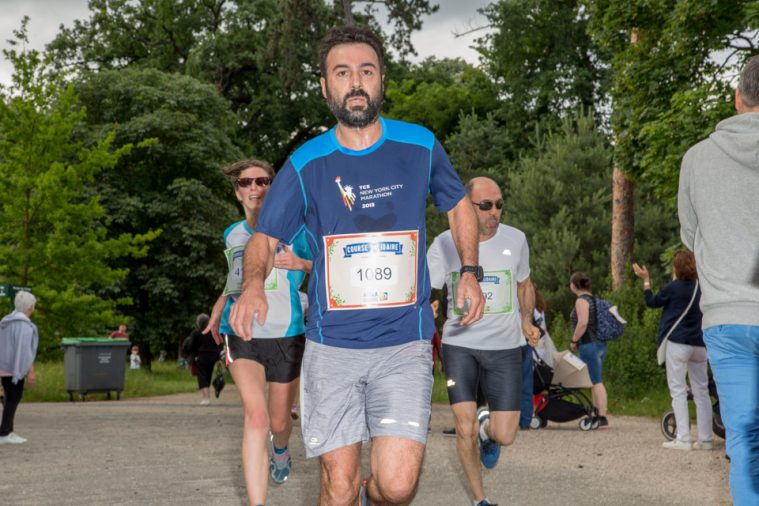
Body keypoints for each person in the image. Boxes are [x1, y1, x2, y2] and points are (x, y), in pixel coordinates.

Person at [228, 25, 484, 506]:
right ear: (326, 86)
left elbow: (458, 204)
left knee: (397, 485)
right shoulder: (305, 164)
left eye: (366, 70)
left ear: (382, 78)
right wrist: (253, 284)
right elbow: (264, 238)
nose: (356, 82)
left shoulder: (420, 145)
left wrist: (469, 271)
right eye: (342, 73)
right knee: (337, 485)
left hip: (403, 343)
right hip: (333, 349)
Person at [205, 158, 312, 506]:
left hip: (287, 334)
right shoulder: (232, 234)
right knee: (256, 415)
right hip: (243, 333)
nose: (255, 188)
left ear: (273, 187)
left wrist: (301, 264)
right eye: (246, 183)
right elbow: (235, 277)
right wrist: (221, 304)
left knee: (280, 422)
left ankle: (280, 450)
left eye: (262, 181)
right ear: (237, 193)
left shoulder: (298, 231)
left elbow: (328, 263)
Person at [428, 176, 539, 506]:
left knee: (506, 433)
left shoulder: (516, 240)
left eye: (500, 204)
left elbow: (524, 284)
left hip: (505, 348)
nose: (495, 212)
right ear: (467, 206)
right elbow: (426, 287)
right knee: (463, 428)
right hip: (459, 345)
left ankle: (486, 424)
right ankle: (480, 500)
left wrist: (526, 320)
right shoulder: (445, 243)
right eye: (487, 205)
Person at [678, 55, 759, 505]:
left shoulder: (697, 158)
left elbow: (691, 236)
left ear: (737, 98)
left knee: (744, 440)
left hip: (727, 315)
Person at [633, 252, 711, 450]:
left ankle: (683, 438)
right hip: (700, 345)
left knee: (678, 390)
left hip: (678, 343)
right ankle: (705, 439)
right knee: (701, 391)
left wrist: (646, 281)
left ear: (676, 268)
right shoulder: (702, 288)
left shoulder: (673, 288)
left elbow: (652, 302)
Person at [568, 272, 609, 429]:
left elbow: (583, 323)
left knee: (596, 381)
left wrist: (574, 340)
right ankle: (597, 413)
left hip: (589, 345)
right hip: (600, 344)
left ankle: (603, 417)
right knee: (593, 380)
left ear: (574, 285)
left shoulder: (581, 300)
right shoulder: (594, 299)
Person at [0, 291, 38, 444]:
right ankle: (5, 433)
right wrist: (30, 372)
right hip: (14, 368)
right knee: (14, 398)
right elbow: (24, 351)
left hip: (3, 366)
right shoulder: (24, 325)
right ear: (30, 307)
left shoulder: (6, 321)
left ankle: (8, 431)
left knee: (9, 397)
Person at [184, 314, 219, 405]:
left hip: (201, 357)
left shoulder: (196, 333)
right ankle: (207, 396)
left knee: (202, 376)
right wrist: (218, 359)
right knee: (208, 375)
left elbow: (191, 346)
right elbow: (217, 345)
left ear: (198, 323)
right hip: (212, 357)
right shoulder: (213, 332)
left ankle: (206, 398)